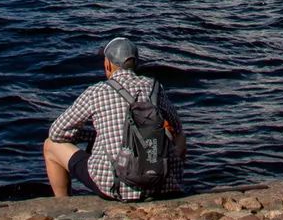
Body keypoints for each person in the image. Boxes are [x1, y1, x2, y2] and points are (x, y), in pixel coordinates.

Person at [44, 37, 185, 201]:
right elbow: (178, 130)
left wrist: (88, 136)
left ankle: (63, 203)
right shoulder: (154, 87)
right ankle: (173, 183)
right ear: (136, 64)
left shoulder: (97, 92)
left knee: (50, 145)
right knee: (179, 134)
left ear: (108, 65)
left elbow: (56, 132)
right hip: (161, 184)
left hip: (116, 186)